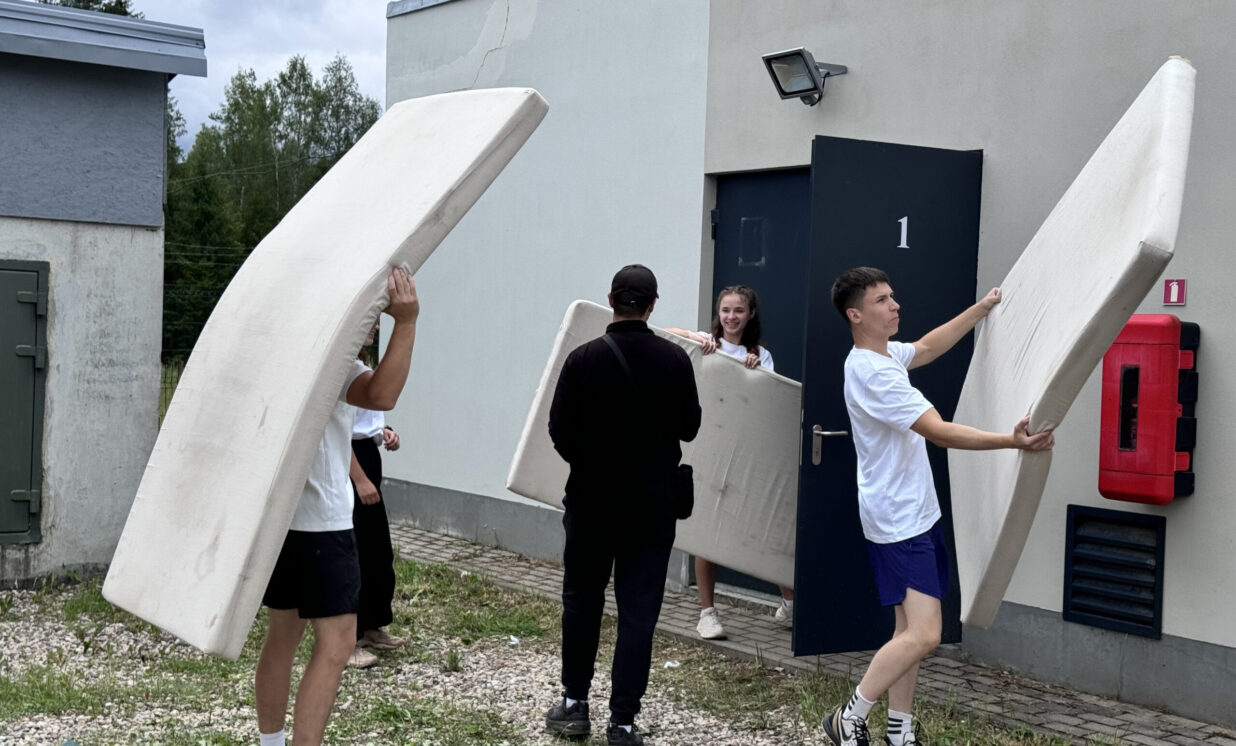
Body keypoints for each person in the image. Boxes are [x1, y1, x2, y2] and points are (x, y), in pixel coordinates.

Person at [822, 267, 1054, 746]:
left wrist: (981, 310)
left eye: (892, 296)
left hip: (914, 512)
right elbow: (940, 432)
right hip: (898, 520)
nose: (895, 305)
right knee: (926, 634)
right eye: (882, 300)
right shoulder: (872, 374)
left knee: (908, 631)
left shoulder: (884, 355)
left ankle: (899, 730)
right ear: (855, 315)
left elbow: (927, 347)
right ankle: (849, 716)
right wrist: (1011, 441)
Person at [254, 268, 420, 746]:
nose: (374, 322)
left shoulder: (282, 357)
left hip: (279, 519)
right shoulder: (332, 364)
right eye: (370, 314)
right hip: (321, 526)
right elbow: (383, 393)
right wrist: (407, 321)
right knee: (337, 644)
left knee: (282, 636)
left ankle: (270, 744)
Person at [544, 264, 702, 746]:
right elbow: (690, 427)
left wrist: (591, 462)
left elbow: (559, 431)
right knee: (638, 612)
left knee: (582, 600)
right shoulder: (675, 360)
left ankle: (574, 705)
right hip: (652, 507)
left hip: (591, 501)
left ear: (611, 299)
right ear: (652, 305)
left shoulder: (582, 358)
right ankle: (624, 722)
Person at [665, 285, 795, 640]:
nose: (731, 317)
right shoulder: (707, 342)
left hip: (745, 456)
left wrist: (757, 372)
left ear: (750, 314)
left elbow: (767, 406)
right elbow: (665, 334)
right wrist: (697, 340)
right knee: (708, 535)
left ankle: (789, 604)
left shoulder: (762, 356)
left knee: (762, 526)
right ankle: (707, 613)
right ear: (718, 313)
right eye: (725, 310)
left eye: (739, 310)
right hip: (710, 449)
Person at [345, 321, 406, 669]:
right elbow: (335, 432)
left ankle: (371, 625)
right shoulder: (339, 368)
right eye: (370, 320)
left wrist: (384, 432)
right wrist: (359, 479)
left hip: (367, 455)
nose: (377, 325)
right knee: (352, 554)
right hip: (350, 465)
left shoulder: (361, 364)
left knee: (376, 552)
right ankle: (347, 639)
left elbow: (362, 423)